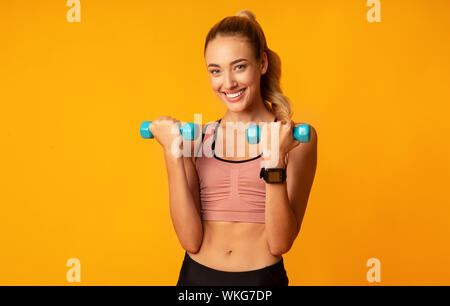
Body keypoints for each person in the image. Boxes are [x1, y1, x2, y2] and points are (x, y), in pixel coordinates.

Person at [149, 9, 317, 286]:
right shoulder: (198, 139)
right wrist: (172, 153)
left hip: (261, 282)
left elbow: (280, 243)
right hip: (196, 279)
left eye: (239, 67)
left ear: (261, 63)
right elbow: (190, 240)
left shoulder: (296, 139)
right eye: (216, 71)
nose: (227, 83)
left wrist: (275, 159)